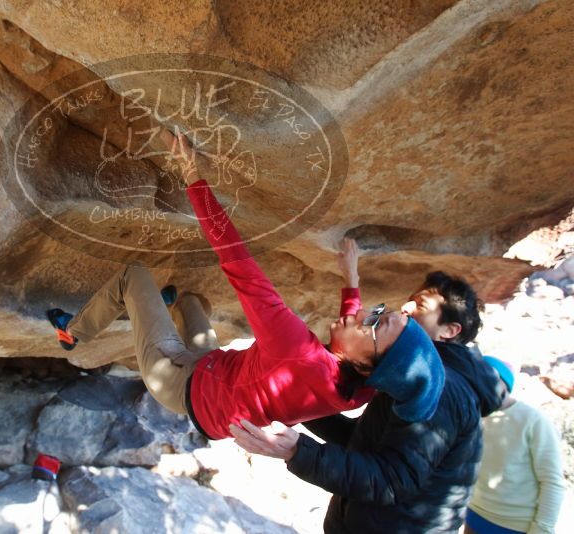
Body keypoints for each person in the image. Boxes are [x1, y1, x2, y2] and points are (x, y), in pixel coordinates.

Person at [46, 130, 444, 440]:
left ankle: (72, 331)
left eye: (376, 324)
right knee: (192, 300)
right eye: (379, 312)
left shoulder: (298, 351)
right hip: (215, 378)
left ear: (365, 363)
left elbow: (235, 257)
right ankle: (161, 306)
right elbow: (350, 345)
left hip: (180, 384)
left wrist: (191, 174)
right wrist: (350, 280)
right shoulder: (364, 389)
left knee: (134, 275)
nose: (364, 315)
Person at [230, 270, 507, 533]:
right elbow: (364, 441)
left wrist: (297, 452)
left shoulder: (440, 389)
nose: (405, 308)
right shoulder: (413, 377)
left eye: (420, 305)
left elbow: (393, 479)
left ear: (449, 330)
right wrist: (298, 403)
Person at [465, 356, 565, 534]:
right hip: (475, 513)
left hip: (516, 524)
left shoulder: (534, 420)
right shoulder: (474, 415)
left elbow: (552, 481)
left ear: (503, 383)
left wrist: (542, 528)